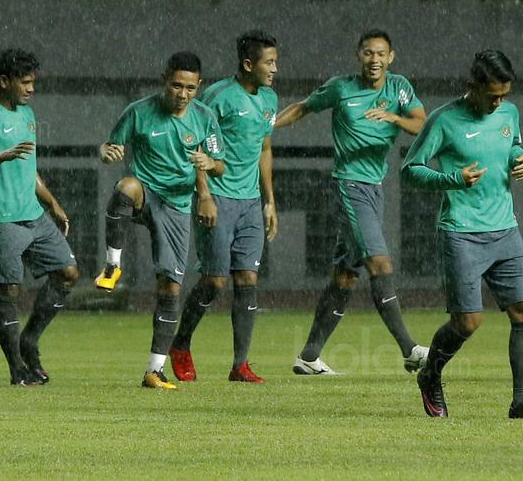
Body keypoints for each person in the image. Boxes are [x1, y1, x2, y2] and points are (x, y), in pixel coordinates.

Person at [402, 50, 523, 419]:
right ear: (474, 87)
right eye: (493, 95)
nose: (499, 102)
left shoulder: (508, 113)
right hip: (461, 233)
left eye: (504, 95)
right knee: (467, 322)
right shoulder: (444, 120)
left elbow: (512, 143)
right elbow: (410, 169)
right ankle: (430, 377)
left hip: (505, 230)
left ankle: (521, 402)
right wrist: (451, 179)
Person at [274, 30, 429, 375]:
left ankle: (309, 356)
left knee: (345, 275)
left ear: (391, 58)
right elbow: (303, 107)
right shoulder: (341, 88)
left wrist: (395, 118)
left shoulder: (399, 87)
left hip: (375, 188)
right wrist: (268, 125)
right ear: (358, 55)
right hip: (350, 186)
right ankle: (409, 349)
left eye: (381, 54)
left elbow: (421, 123)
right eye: (368, 53)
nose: (374, 60)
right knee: (379, 263)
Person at [94, 51, 224, 389]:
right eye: (176, 85)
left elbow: (220, 164)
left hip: (177, 205)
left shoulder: (205, 118)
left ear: (199, 87)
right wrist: (106, 152)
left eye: (190, 88)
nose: (182, 94)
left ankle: (154, 370)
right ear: (163, 79)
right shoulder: (138, 111)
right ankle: (112, 265)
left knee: (171, 288)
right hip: (146, 192)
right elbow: (110, 147)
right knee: (125, 187)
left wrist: (209, 169)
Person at [0, 48, 79, 386]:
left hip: (34, 215)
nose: (31, 89)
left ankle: (29, 340)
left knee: (68, 273)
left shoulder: (27, 115)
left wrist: (52, 203)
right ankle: (17, 369)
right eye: (25, 83)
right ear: (4, 81)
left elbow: (29, 168)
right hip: (1, 219)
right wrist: (0, 156)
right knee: (9, 291)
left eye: (32, 83)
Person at [169, 30, 279, 384]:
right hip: (216, 197)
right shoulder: (216, 97)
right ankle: (181, 344)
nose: (275, 69)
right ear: (248, 64)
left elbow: (264, 149)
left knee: (248, 277)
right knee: (215, 281)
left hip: (249, 204)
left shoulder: (270, 100)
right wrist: (204, 195)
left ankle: (240, 364)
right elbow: (195, 146)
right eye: (269, 62)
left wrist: (269, 201)